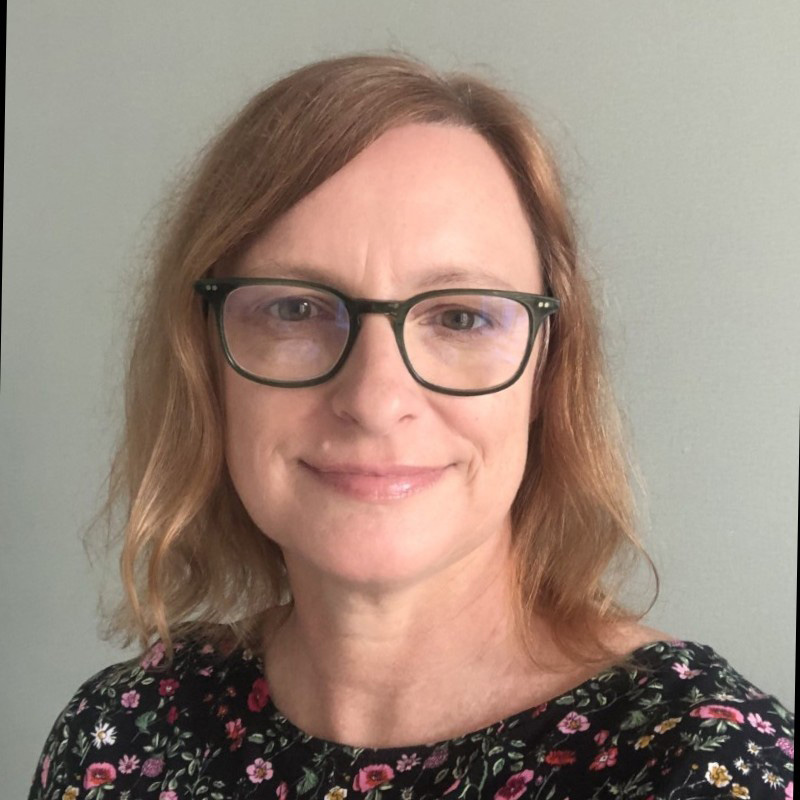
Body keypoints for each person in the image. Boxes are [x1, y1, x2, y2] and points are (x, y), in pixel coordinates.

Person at [29, 53, 792, 800]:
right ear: (206, 361)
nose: (374, 398)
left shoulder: (701, 763)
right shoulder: (120, 734)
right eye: (295, 308)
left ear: (546, 368)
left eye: (460, 317)